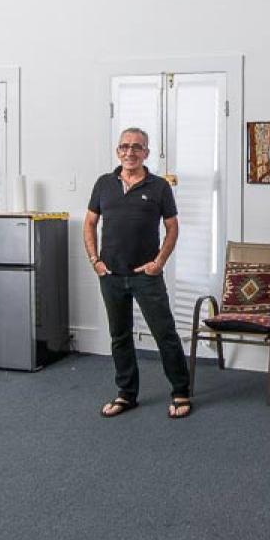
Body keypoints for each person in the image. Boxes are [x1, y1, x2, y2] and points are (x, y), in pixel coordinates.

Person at [84, 128, 193, 419]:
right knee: (120, 336)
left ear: (146, 152)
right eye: (124, 146)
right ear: (117, 151)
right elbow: (90, 222)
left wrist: (159, 262)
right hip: (111, 275)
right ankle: (126, 394)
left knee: (165, 334)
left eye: (136, 147)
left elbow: (172, 227)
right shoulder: (104, 184)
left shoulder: (158, 187)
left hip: (146, 275)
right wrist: (95, 260)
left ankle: (181, 391)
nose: (129, 152)